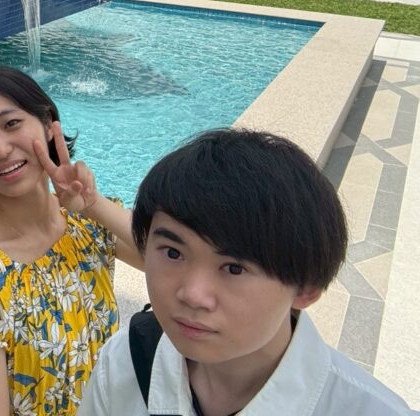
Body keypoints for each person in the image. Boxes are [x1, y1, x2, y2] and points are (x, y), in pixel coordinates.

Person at [78, 128, 417, 416]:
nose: (192, 294)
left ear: (306, 286)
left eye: (234, 268)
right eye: (173, 252)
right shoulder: (124, 362)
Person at [0, 66, 142, 416]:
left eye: (11, 123)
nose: (1, 149)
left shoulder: (82, 220)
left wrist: (94, 205)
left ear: (48, 124)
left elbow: (173, 260)